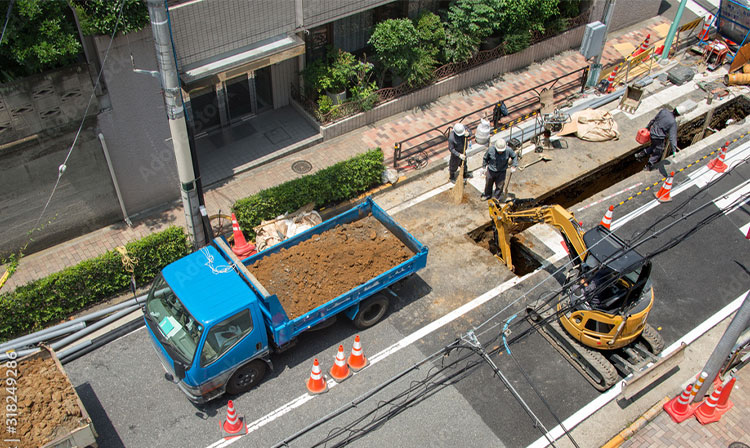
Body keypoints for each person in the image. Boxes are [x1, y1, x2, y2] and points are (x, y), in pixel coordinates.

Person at [636, 105, 680, 171]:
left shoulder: (664, 111)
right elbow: (672, 137)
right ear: (678, 115)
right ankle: (648, 165)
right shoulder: (673, 123)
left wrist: (647, 127)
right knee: (658, 152)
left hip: (652, 132)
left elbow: (654, 119)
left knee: (653, 146)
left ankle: (641, 154)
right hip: (659, 137)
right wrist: (674, 150)